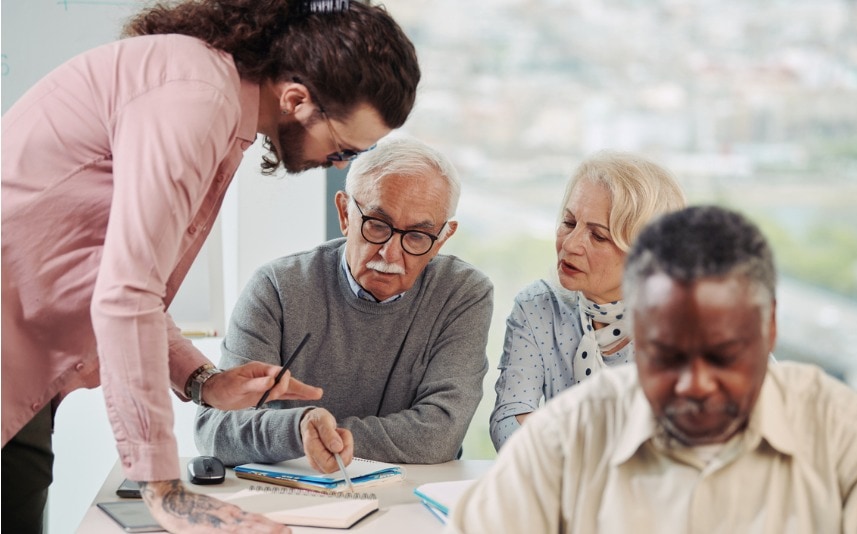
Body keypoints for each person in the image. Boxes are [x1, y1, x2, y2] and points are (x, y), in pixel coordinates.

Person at [1, 1, 420, 532]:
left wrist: (203, 382)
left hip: (21, 366)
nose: (337, 166)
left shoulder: (207, 93)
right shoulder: (197, 99)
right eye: (342, 151)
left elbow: (115, 275)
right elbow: (126, 295)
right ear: (297, 100)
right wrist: (164, 491)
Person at [450, 205, 857, 533]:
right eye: (667, 354)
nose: (695, 384)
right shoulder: (566, 441)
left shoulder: (852, 447)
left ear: (770, 329)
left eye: (724, 353)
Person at [194, 135, 493, 470]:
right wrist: (299, 429)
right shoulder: (277, 287)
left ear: (441, 239)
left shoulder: (463, 294)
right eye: (377, 226)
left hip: (412, 501)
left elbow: (440, 434)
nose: (390, 254)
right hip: (296, 493)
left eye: (417, 237)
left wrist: (329, 437)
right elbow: (216, 430)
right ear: (345, 213)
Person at [489, 151, 686, 450]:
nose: (570, 244)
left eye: (598, 236)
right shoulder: (538, 305)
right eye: (569, 222)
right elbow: (508, 424)